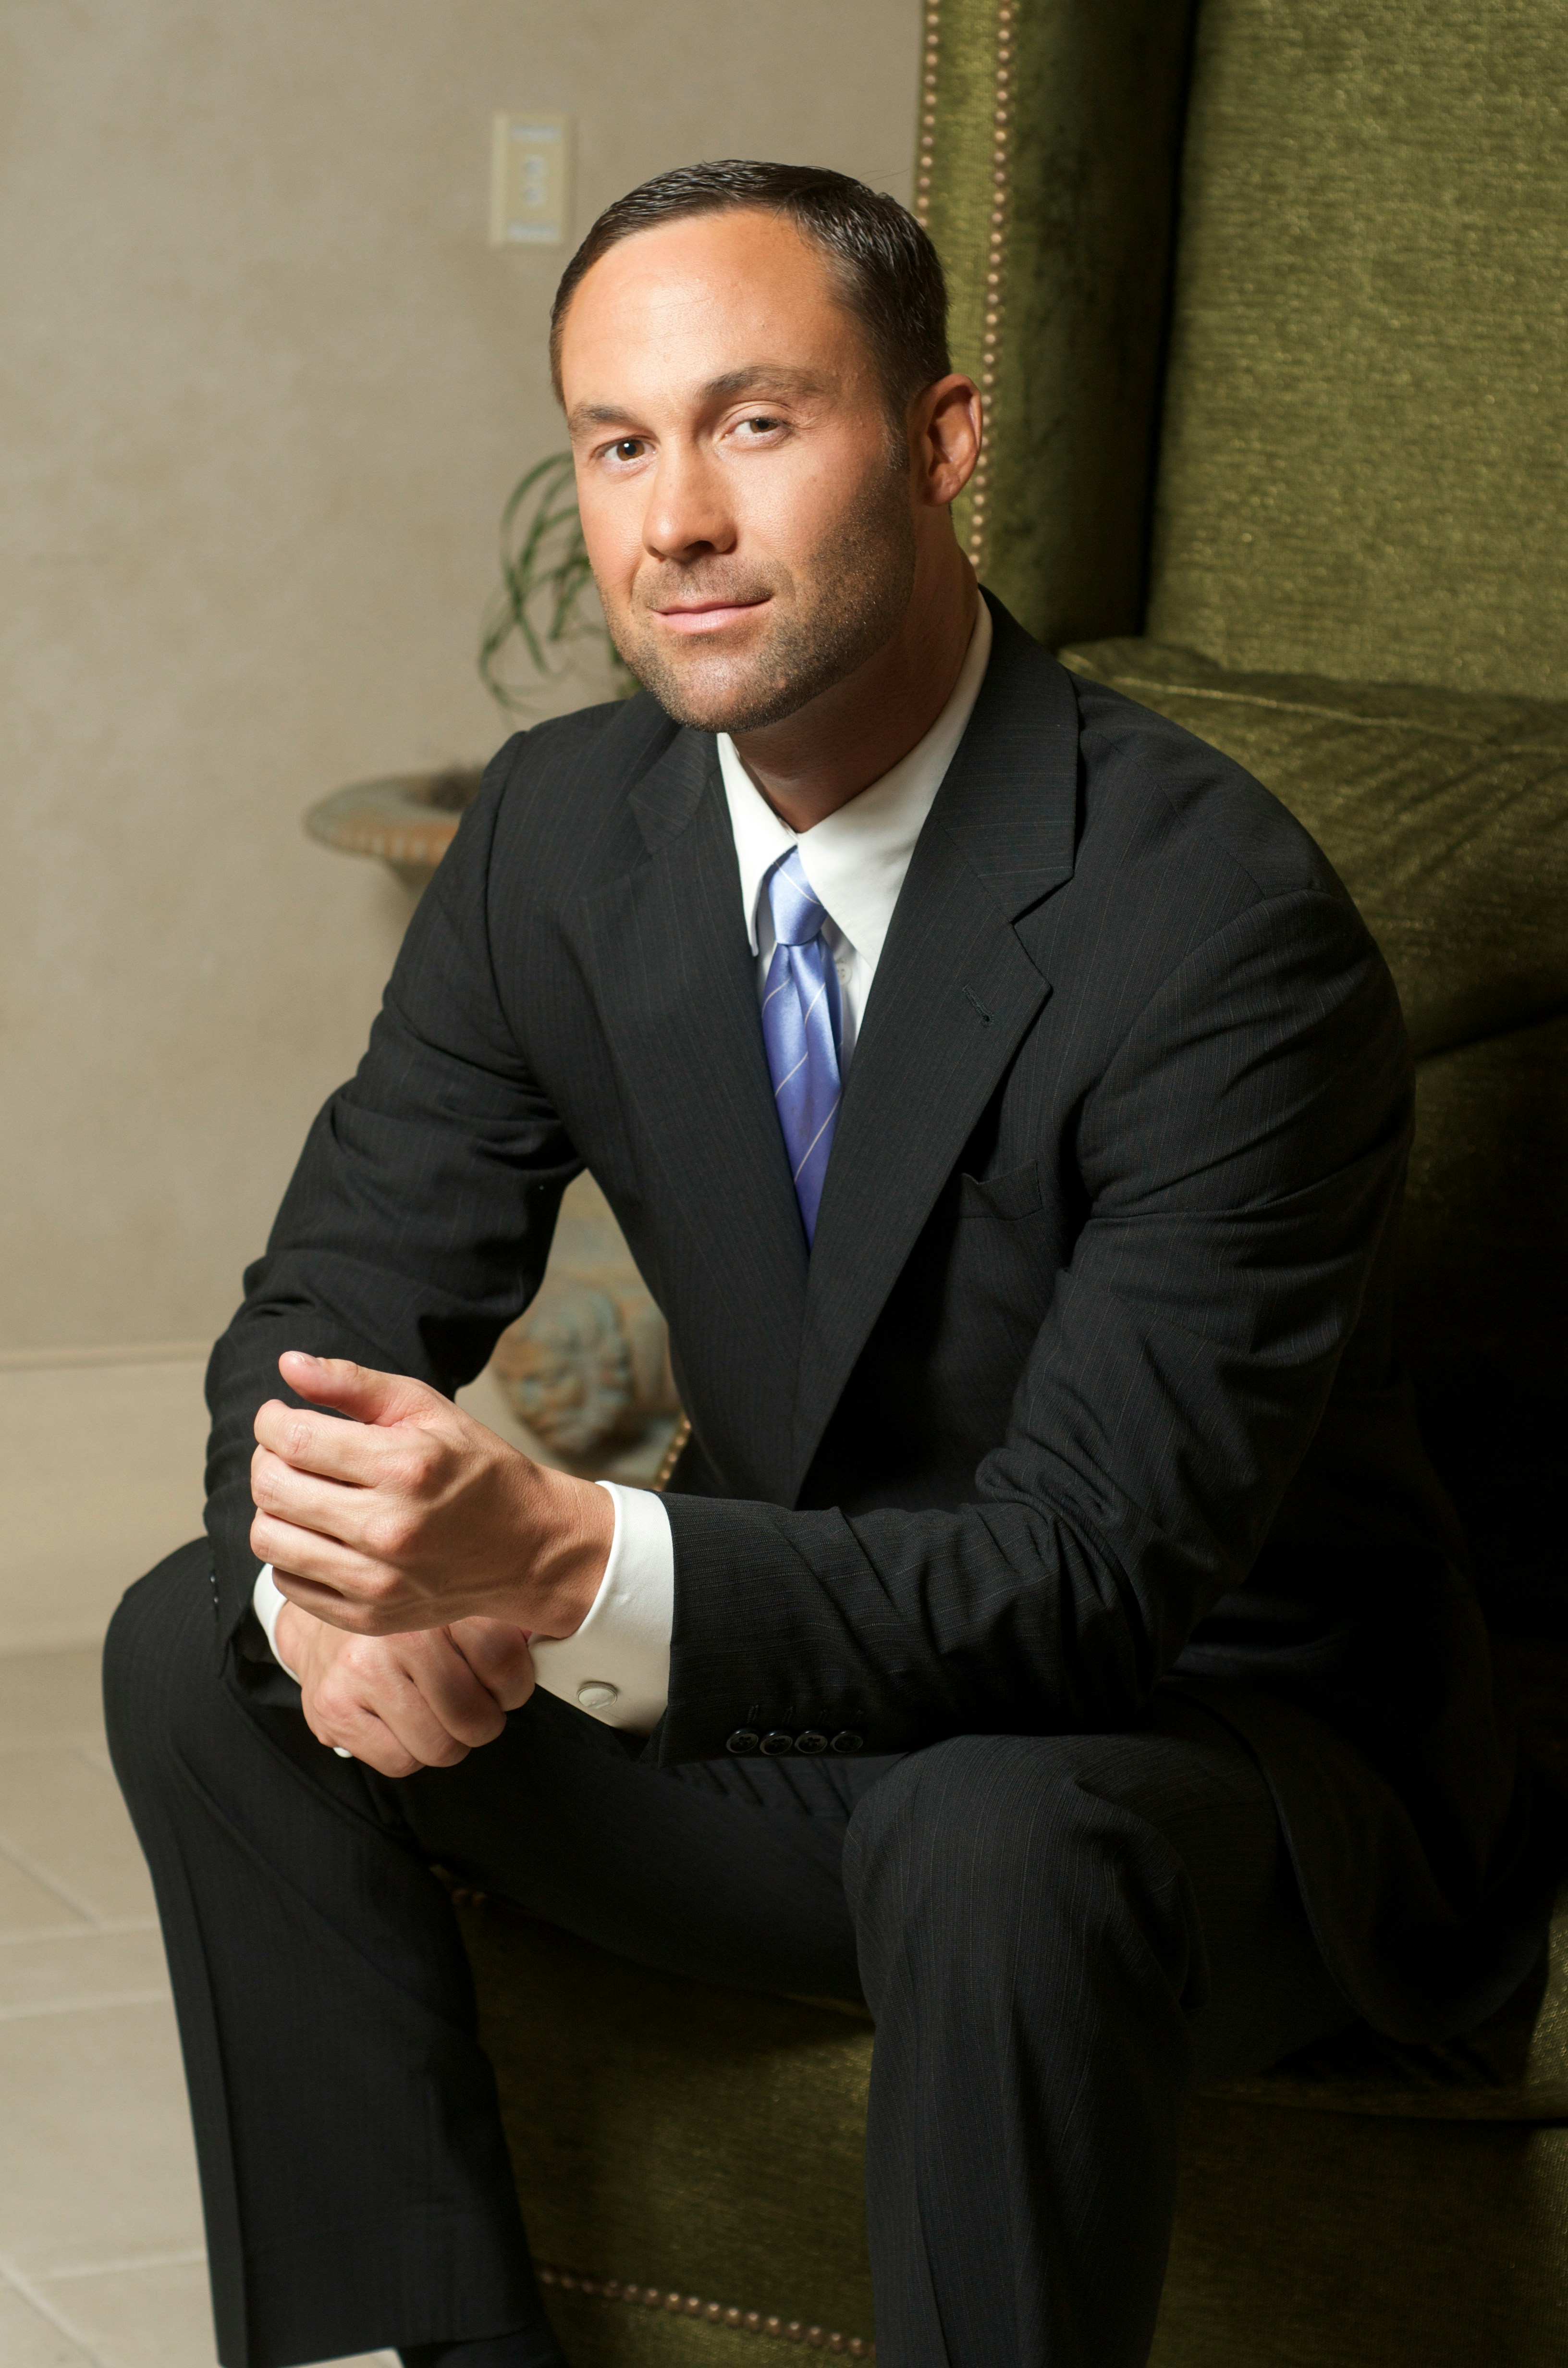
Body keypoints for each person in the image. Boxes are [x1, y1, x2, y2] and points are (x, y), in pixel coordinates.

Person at [105, 161, 1543, 2368]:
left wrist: (568, 1559)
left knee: (990, 1830)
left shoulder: (1214, 928)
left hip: (1195, 1749)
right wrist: (335, 1586)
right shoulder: (556, 835)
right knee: (201, 1638)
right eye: (618, 443)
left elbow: (1086, 1583)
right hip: (801, 1712)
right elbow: (324, 1304)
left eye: (756, 422)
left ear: (944, 438)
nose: (676, 517)